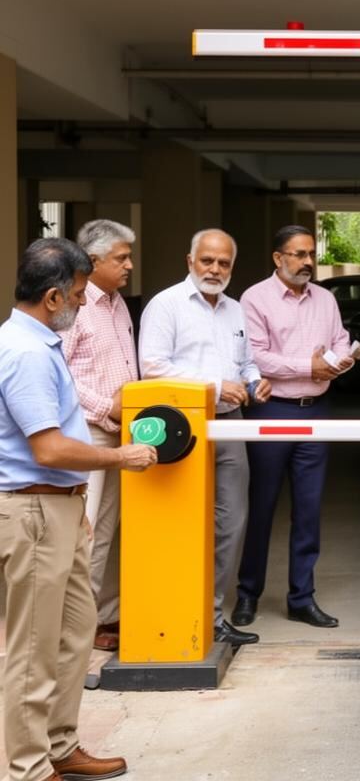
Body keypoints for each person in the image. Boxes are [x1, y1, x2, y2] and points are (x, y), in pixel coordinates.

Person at [0, 238, 157, 781]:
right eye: (78, 293)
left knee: (73, 632)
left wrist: (76, 501)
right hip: (33, 512)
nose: (84, 302)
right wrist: (119, 457)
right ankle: (28, 768)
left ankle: (60, 745)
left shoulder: (41, 343)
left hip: (58, 507)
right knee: (34, 648)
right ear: (52, 297)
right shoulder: (24, 353)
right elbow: (48, 449)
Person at [138, 228, 271, 647]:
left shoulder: (235, 310)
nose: (215, 269)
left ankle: (211, 616)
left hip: (229, 423)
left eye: (223, 263)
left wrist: (255, 381)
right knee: (180, 523)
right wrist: (215, 386)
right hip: (181, 431)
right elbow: (152, 367)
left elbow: (246, 363)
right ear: (190, 261)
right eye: (207, 261)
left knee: (231, 521)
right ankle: (177, 615)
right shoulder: (166, 305)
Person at [233, 225, 360, 630]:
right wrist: (309, 366)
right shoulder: (254, 298)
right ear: (278, 258)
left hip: (316, 410)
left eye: (311, 254)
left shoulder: (325, 299)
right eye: (299, 254)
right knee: (262, 505)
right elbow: (256, 356)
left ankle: (301, 598)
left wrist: (341, 358)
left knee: (308, 509)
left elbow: (340, 339)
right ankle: (248, 594)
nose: (308, 262)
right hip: (271, 411)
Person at [60, 219, 138, 653]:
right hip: (88, 431)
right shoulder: (73, 304)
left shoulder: (117, 303)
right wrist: (107, 406)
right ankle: (77, 627)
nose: (129, 265)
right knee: (86, 533)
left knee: (109, 529)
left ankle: (104, 614)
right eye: (121, 258)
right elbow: (59, 374)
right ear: (93, 261)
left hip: (120, 432)